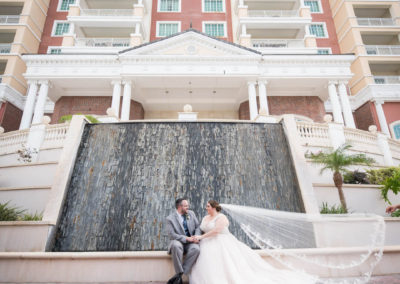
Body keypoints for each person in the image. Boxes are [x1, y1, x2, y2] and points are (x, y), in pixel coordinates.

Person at [189, 200, 317, 284]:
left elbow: (216, 231)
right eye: (206, 206)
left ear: (213, 207)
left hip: (221, 243)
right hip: (207, 244)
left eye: (208, 206)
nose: (206, 208)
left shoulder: (221, 217)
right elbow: (201, 228)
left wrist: (200, 238)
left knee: (228, 265)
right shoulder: (206, 217)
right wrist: (196, 237)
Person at [166, 198, 201, 283]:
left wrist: (196, 236)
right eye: (186, 206)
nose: (188, 207)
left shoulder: (191, 214)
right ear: (179, 207)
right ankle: (179, 275)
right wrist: (185, 238)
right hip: (178, 241)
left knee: (196, 249)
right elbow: (172, 235)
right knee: (176, 246)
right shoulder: (170, 219)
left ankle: (179, 275)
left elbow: (198, 226)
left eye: (188, 205)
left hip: (191, 242)